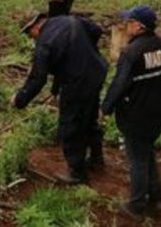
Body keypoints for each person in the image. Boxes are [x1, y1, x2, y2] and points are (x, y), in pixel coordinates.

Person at [101, 6, 161, 220]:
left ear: (138, 26)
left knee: (137, 159)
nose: (125, 26)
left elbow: (119, 85)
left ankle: (136, 206)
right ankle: (157, 199)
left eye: (128, 22)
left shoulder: (131, 52)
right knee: (146, 154)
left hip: (137, 116)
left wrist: (105, 108)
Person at [12, 11, 108, 184]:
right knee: (89, 117)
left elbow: (37, 78)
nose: (30, 37)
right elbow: (95, 30)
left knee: (70, 125)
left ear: (34, 26)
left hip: (77, 82)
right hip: (96, 73)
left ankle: (77, 173)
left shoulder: (44, 42)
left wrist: (20, 99)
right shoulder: (71, 20)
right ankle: (96, 160)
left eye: (29, 33)